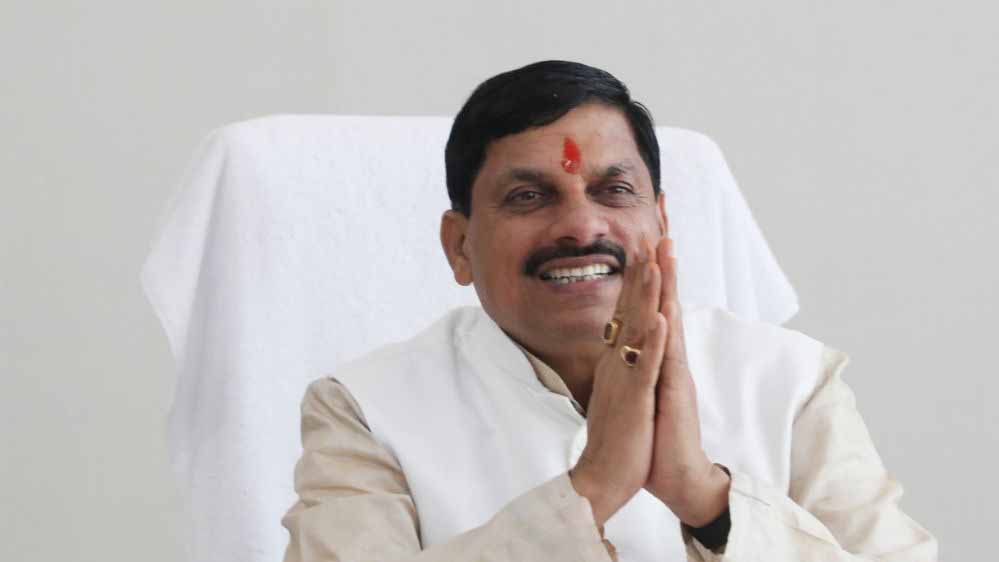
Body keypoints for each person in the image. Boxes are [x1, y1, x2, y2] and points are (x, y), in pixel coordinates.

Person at [280, 61, 938, 561]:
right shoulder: (365, 408)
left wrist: (705, 498)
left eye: (614, 190)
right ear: (460, 247)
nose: (581, 225)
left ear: (661, 221)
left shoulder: (788, 382)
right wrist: (592, 488)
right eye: (529, 196)